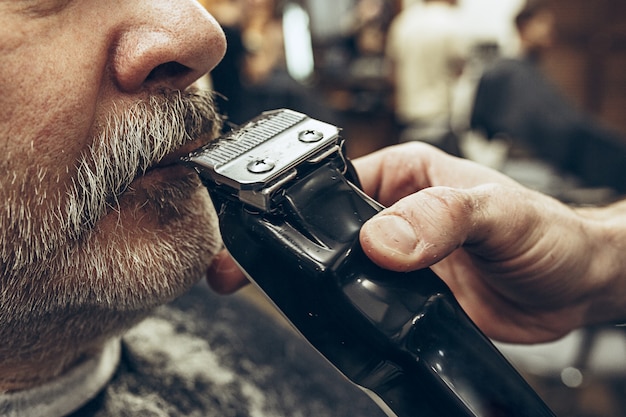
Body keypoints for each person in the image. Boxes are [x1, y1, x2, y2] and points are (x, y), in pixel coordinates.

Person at [470, 0, 626, 192]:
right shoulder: (506, 73)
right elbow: (481, 124)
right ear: (523, 26)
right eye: (543, 24)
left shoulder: (528, 72)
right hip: (524, 169)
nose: (550, 32)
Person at [385, 0, 472, 154]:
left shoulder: (403, 21)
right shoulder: (451, 22)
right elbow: (461, 72)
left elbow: (392, 73)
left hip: (407, 120)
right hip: (439, 121)